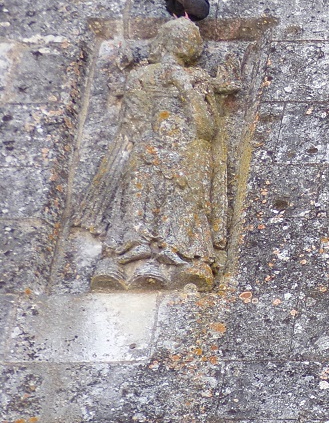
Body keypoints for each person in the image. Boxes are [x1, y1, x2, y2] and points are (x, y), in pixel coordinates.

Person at [77, 19, 235, 289]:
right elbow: (135, 121)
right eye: (182, 35)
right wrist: (157, 149)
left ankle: (185, 258)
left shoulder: (196, 78)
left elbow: (206, 128)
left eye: (193, 37)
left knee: (188, 197)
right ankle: (128, 256)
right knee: (139, 193)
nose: (190, 42)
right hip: (151, 148)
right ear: (165, 40)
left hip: (190, 150)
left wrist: (185, 88)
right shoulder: (141, 76)